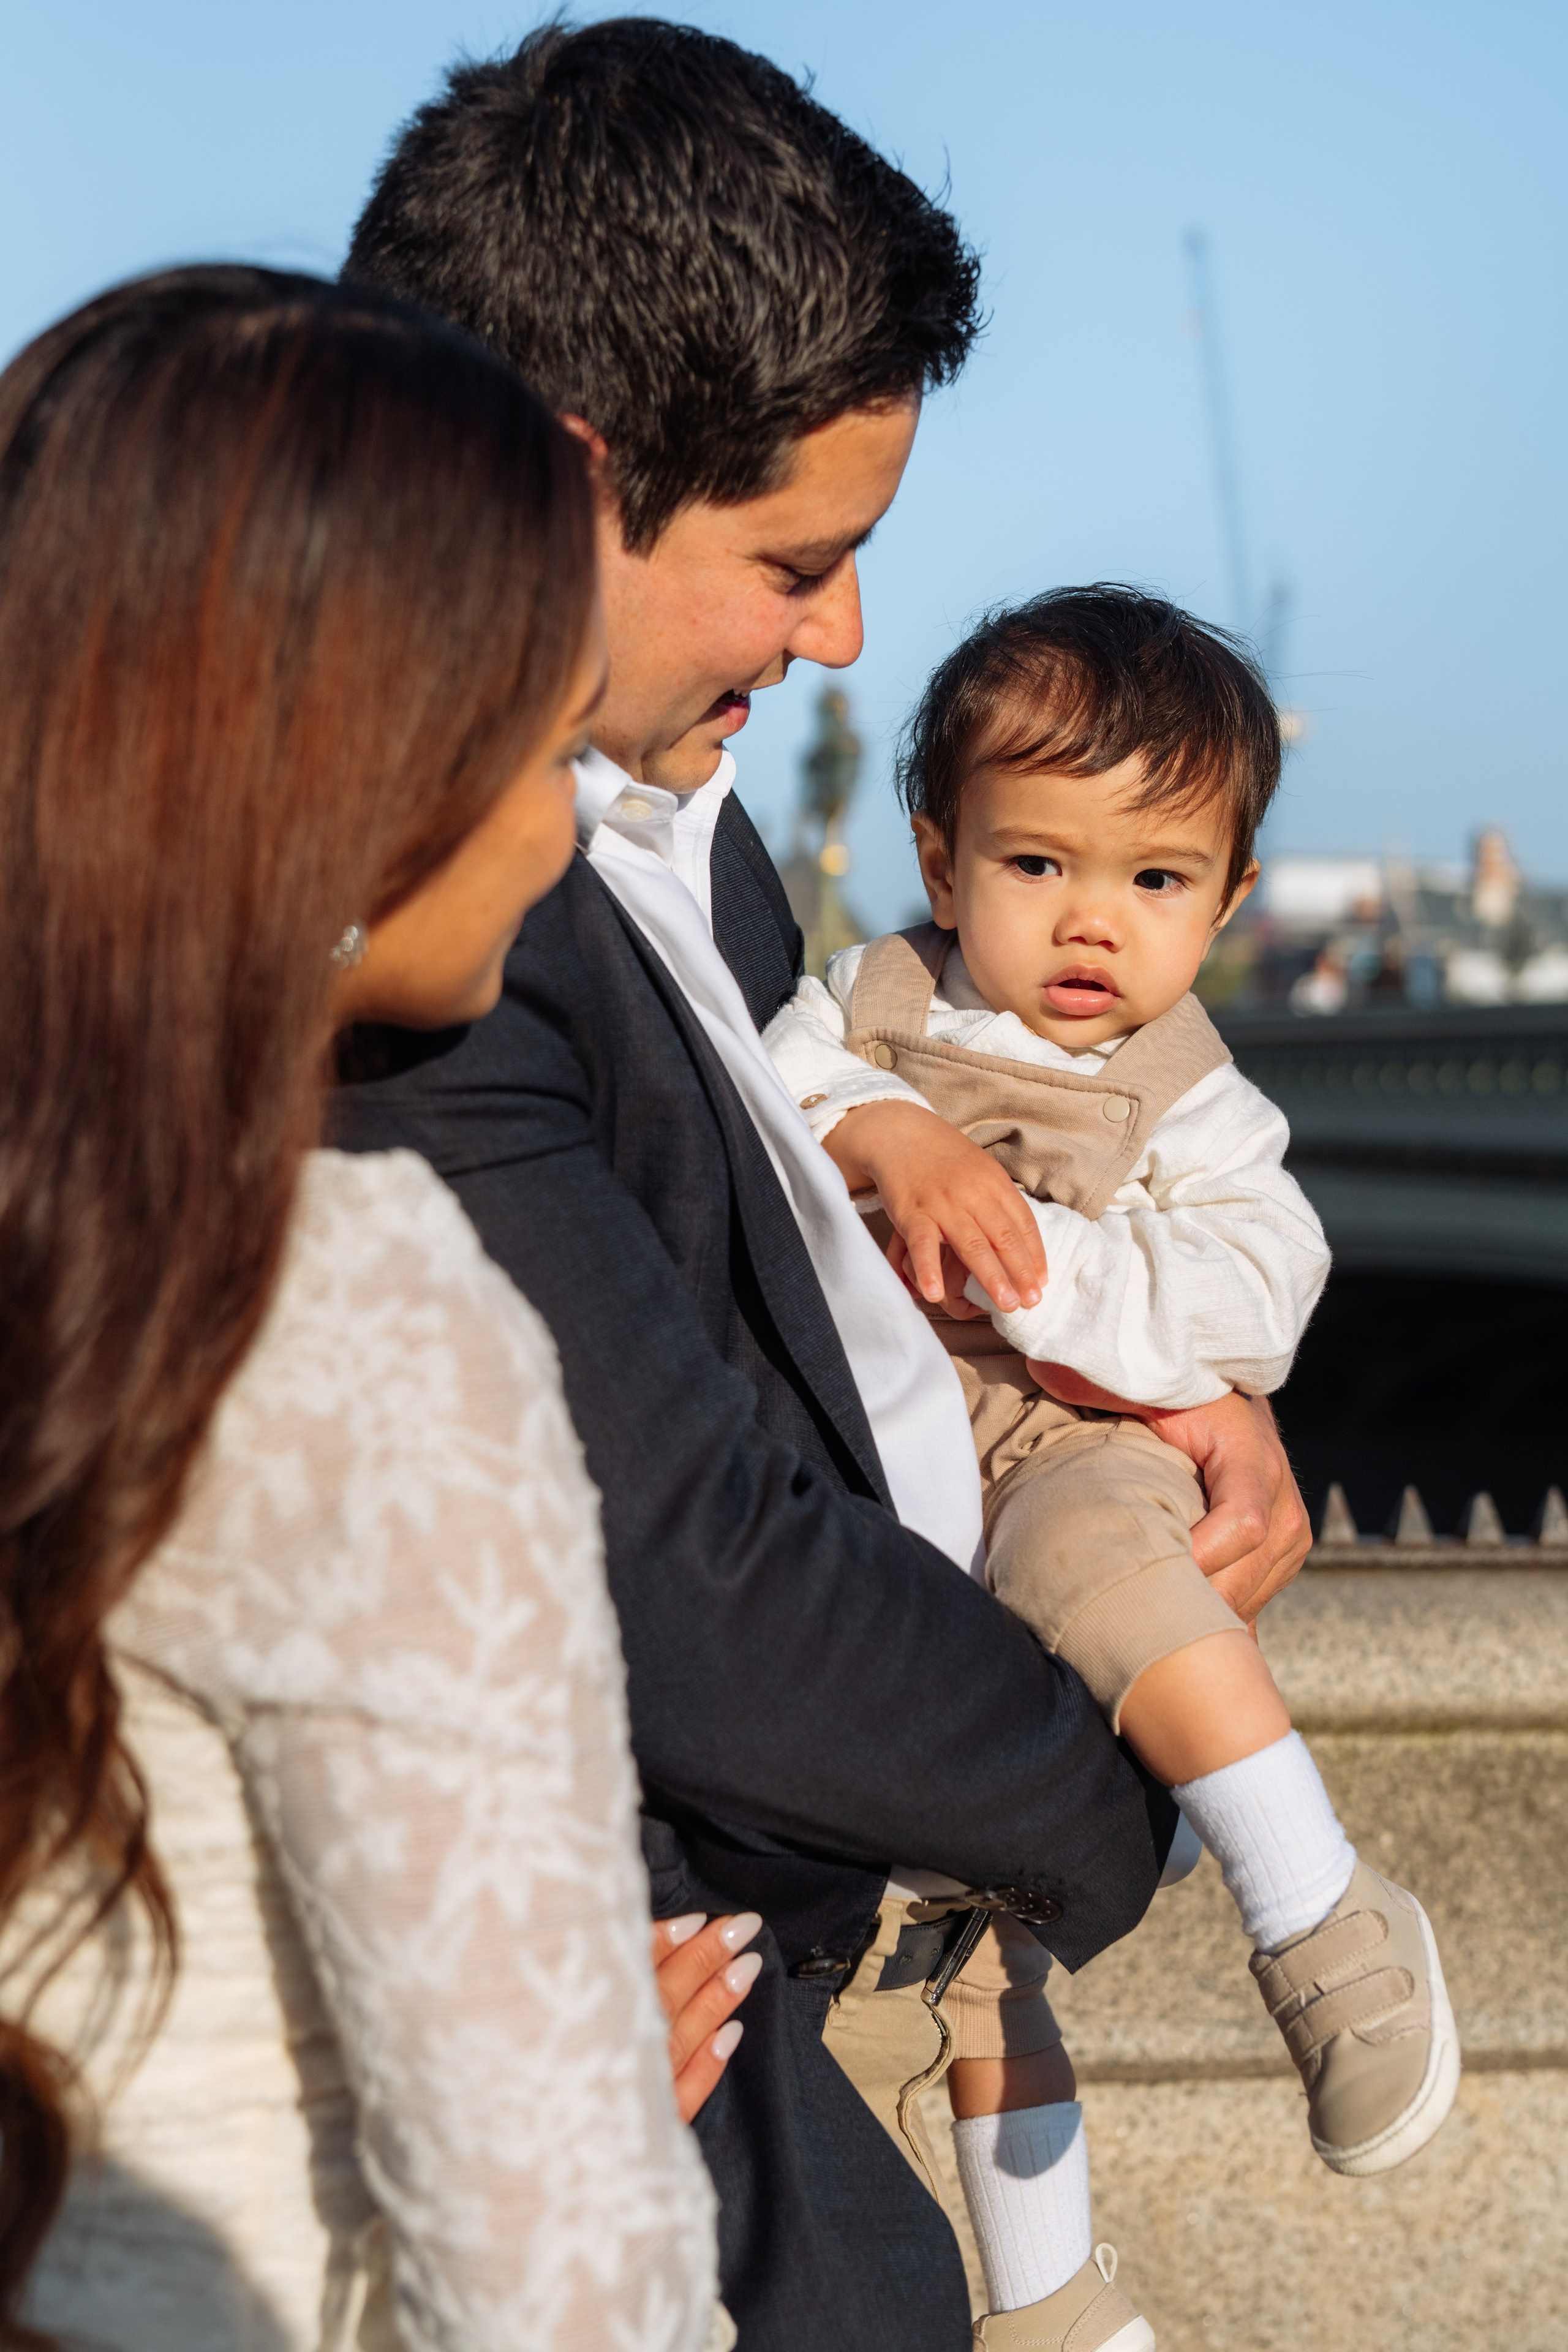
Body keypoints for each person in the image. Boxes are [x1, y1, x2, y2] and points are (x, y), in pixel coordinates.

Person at [333, 25, 1313, 2346]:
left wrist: (1151, 1396)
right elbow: (678, 1555)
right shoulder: (424, 926)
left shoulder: (705, 852)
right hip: (635, 2056)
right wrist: (1115, 1784)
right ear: (572, 483)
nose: (847, 634)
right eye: (802, 559)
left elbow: (847, 1326)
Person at [0, 265, 758, 2352]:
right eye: (534, 724)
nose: (559, 816)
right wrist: (584, 2066)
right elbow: (560, 2294)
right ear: (357, 768)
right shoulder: (347, 1319)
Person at [768, 587, 1460, 2346]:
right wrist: (885, 1124)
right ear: (941, 858)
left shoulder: (1198, 1100)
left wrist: (1045, 1275)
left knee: (1099, 1568)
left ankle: (1320, 1914)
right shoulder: (867, 1002)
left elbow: (1257, 1294)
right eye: (1038, 866)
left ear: (1229, 903)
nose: (1093, 924)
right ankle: (1056, 2295)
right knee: (974, 1950)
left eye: (1155, 882)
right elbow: (761, 1093)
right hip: (883, 1473)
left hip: (1075, 1443)